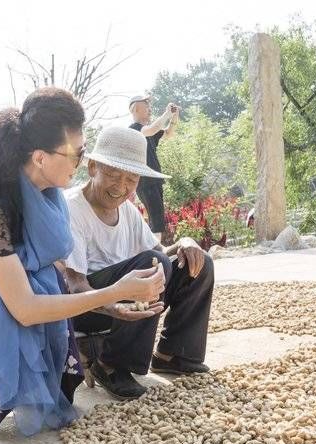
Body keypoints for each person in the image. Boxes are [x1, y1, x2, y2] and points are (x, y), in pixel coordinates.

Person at [0, 88, 165, 437]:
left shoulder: (47, 194)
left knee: (47, 282)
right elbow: (25, 307)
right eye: (77, 153)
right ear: (41, 157)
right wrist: (113, 291)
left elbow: (53, 272)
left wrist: (109, 301)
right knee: (4, 314)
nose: (82, 161)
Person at [63, 126, 213, 401]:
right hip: (85, 306)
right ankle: (111, 364)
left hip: (125, 297)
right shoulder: (71, 208)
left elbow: (162, 253)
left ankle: (173, 354)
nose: (121, 187)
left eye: (131, 179)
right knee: (153, 264)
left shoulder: (127, 211)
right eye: (112, 174)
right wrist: (113, 304)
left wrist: (186, 243)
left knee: (199, 263)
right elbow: (74, 284)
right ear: (93, 167)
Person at [128, 94, 179, 241]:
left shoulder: (148, 131)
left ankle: (154, 252)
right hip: (146, 181)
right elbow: (152, 129)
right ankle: (155, 254)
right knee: (156, 222)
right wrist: (167, 113)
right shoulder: (134, 129)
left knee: (157, 220)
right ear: (136, 109)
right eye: (146, 105)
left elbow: (169, 133)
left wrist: (174, 117)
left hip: (154, 181)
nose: (150, 109)